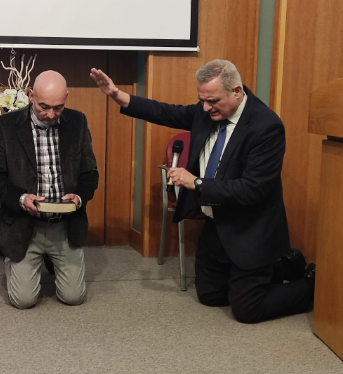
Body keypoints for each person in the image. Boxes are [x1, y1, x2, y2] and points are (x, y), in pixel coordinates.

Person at [90, 59, 314, 323]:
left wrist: (196, 183)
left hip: (251, 230)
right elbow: (165, 112)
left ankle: (311, 286)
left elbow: (252, 190)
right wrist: (117, 95)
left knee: (247, 310)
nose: (206, 108)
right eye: (202, 100)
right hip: (217, 226)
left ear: (237, 91)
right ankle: (283, 267)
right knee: (210, 296)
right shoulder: (206, 111)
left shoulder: (266, 127)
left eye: (213, 101)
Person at [0, 70, 99, 309]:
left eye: (58, 107)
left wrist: (78, 197)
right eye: (44, 106)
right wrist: (21, 198)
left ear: (66, 97)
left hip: (64, 226)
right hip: (25, 225)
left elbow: (90, 173)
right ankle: (18, 263)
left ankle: (53, 260)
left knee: (73, 298)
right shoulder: (6, 125)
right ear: (30, 96)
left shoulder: (77, 122)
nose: (50, 114)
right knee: (23, 301)